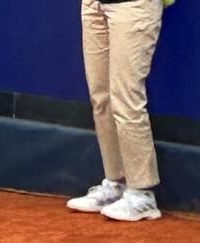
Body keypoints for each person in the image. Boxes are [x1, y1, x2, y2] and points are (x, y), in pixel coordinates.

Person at [68, 0, 165, 222]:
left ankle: (142, 195)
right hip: (94, 5)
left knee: (126, 98)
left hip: (135, 5)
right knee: (101, 98)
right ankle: (116, 184)